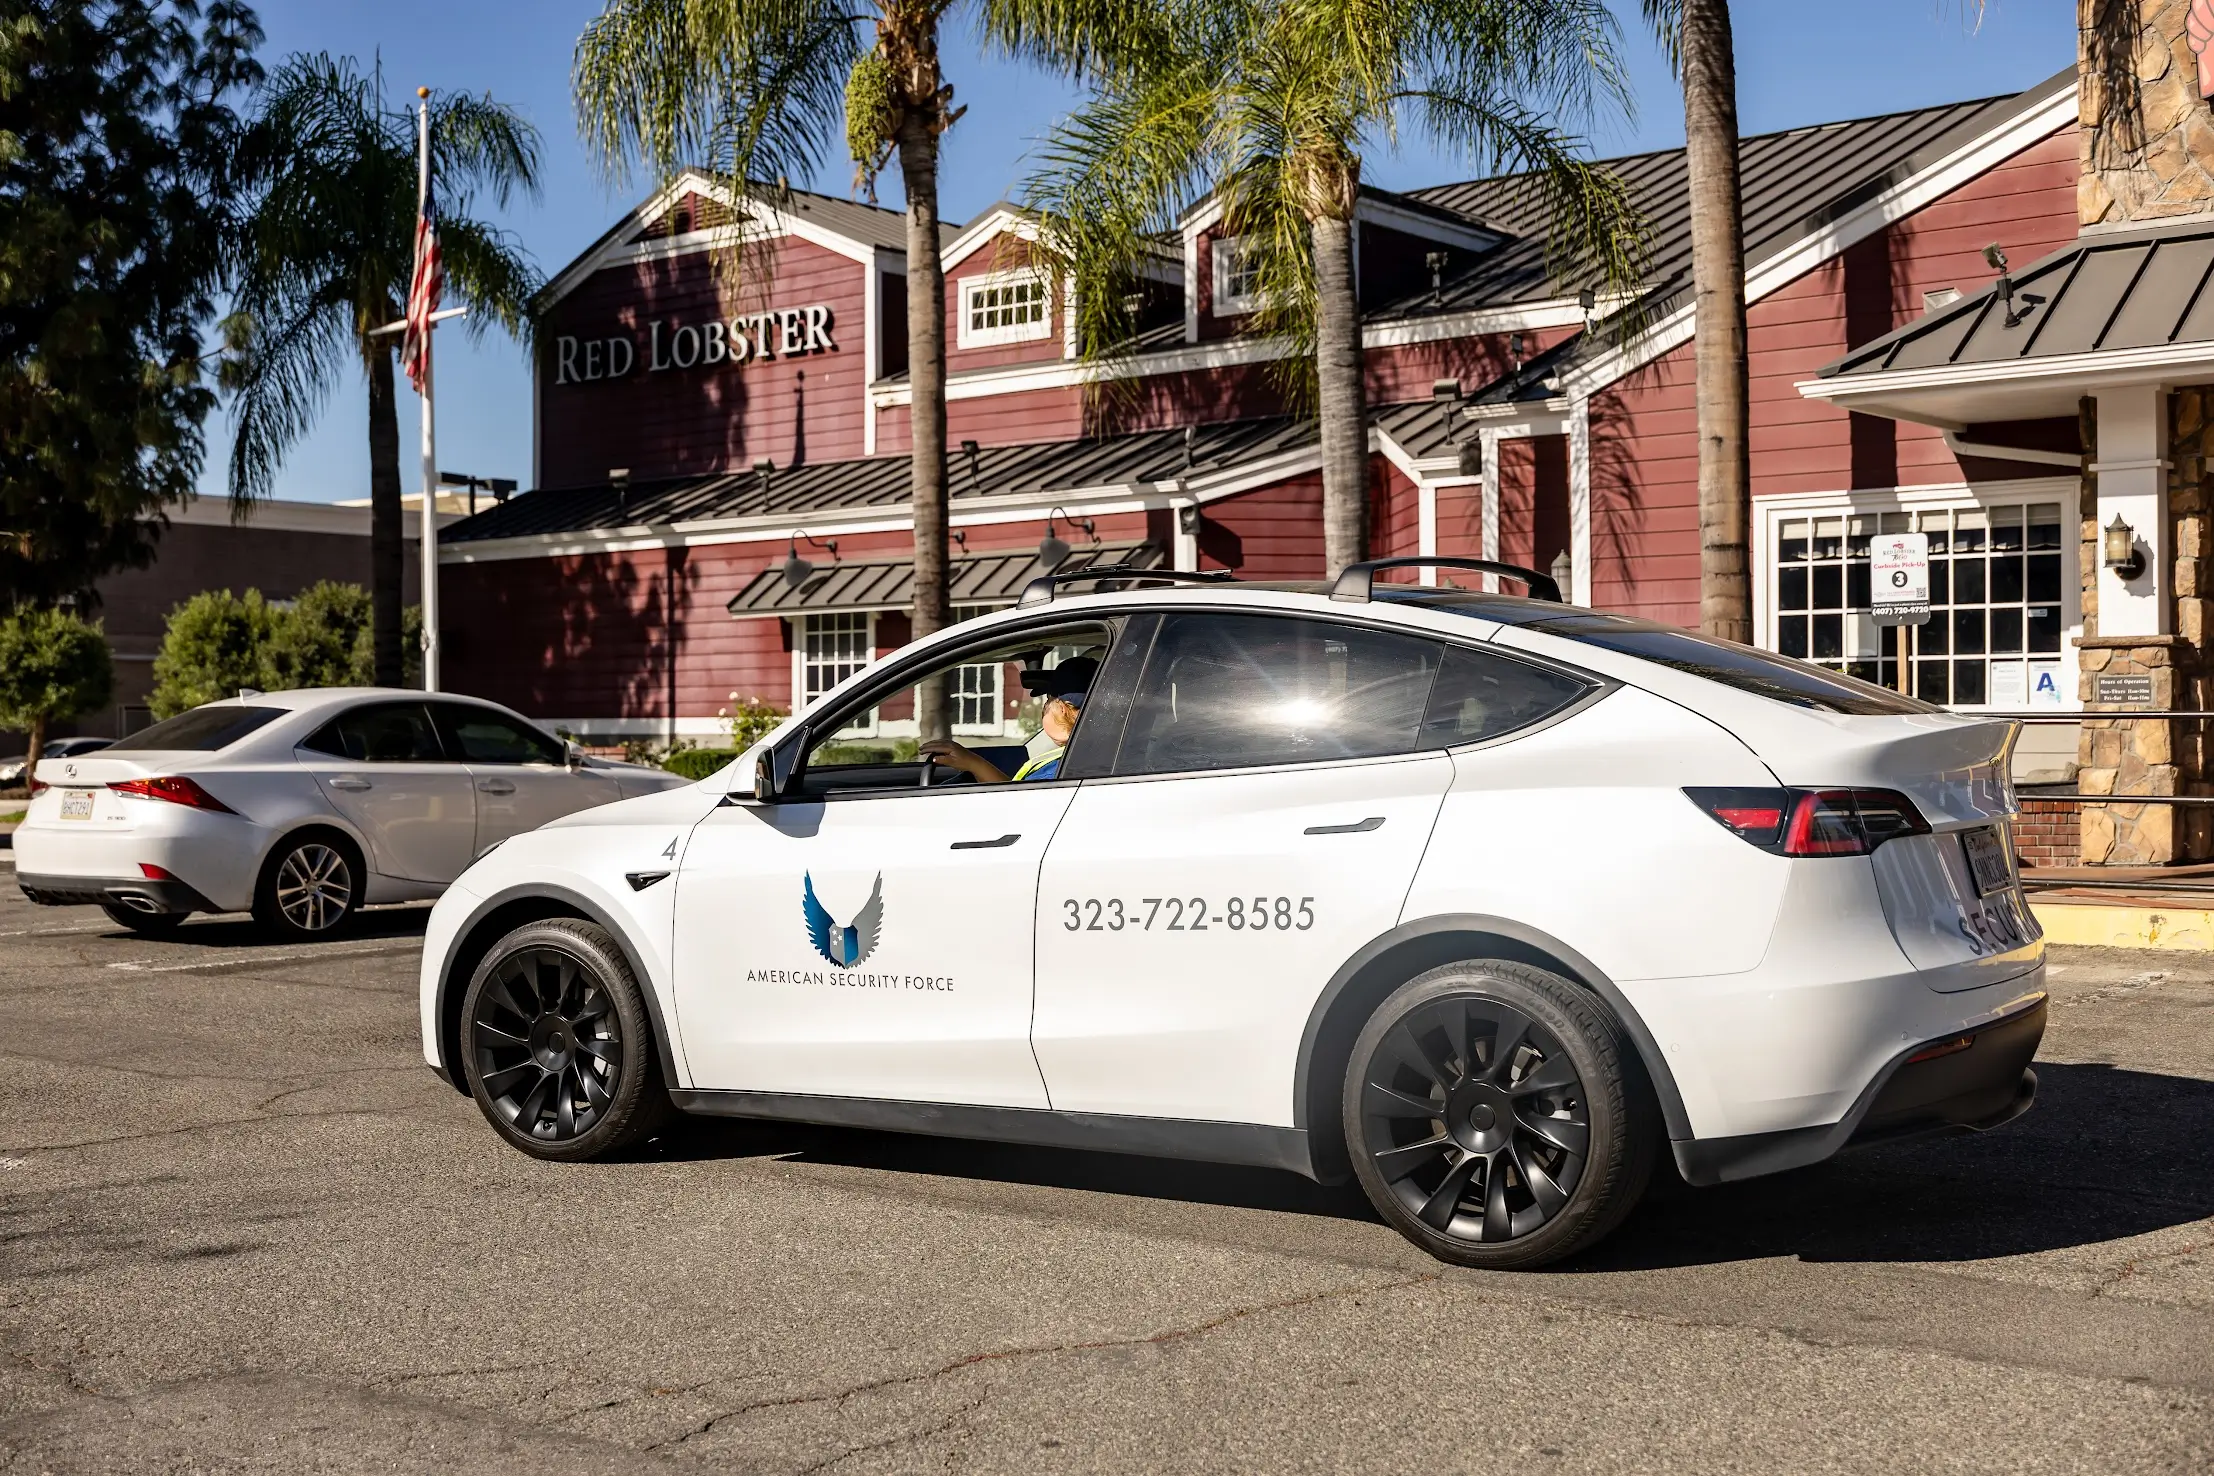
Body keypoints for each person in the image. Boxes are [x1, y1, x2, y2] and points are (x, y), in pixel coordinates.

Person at [920, 657, 1094, 783]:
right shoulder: (1089, 754)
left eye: (1048, 700)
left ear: (1063, 709)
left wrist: (973, 764)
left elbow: (1020, 804)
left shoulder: (1063, 767)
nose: (1044, 707)